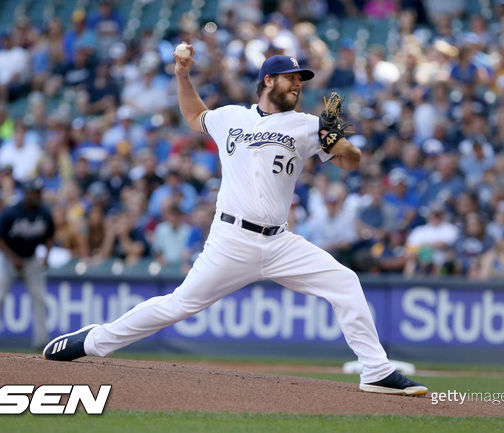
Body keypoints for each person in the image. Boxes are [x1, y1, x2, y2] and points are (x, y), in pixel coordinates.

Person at [43, 50, 427, 396]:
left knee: (345, 282)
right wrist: (182, 76)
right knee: (178, 305)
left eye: (301, 79)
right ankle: (94, 341)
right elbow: (194, 115)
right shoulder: (231, 117)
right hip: (231, 239)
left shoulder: (308, 125)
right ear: (268, 81)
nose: (298, 84)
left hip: (280, 242)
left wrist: (336, 138)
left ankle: (375, 370)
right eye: (292, 77)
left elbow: (351, 161)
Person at [0, 178, 55, 349]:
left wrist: (47, 256)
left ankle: (41, 340)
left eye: (38, 192)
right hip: (6, 258)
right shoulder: (11, 212)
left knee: (39, 297)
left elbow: (50, 237)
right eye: (33, 192)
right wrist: (13, 258)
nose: (36, 195)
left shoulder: (44, 213)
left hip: (31, 259)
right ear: (26, 193)